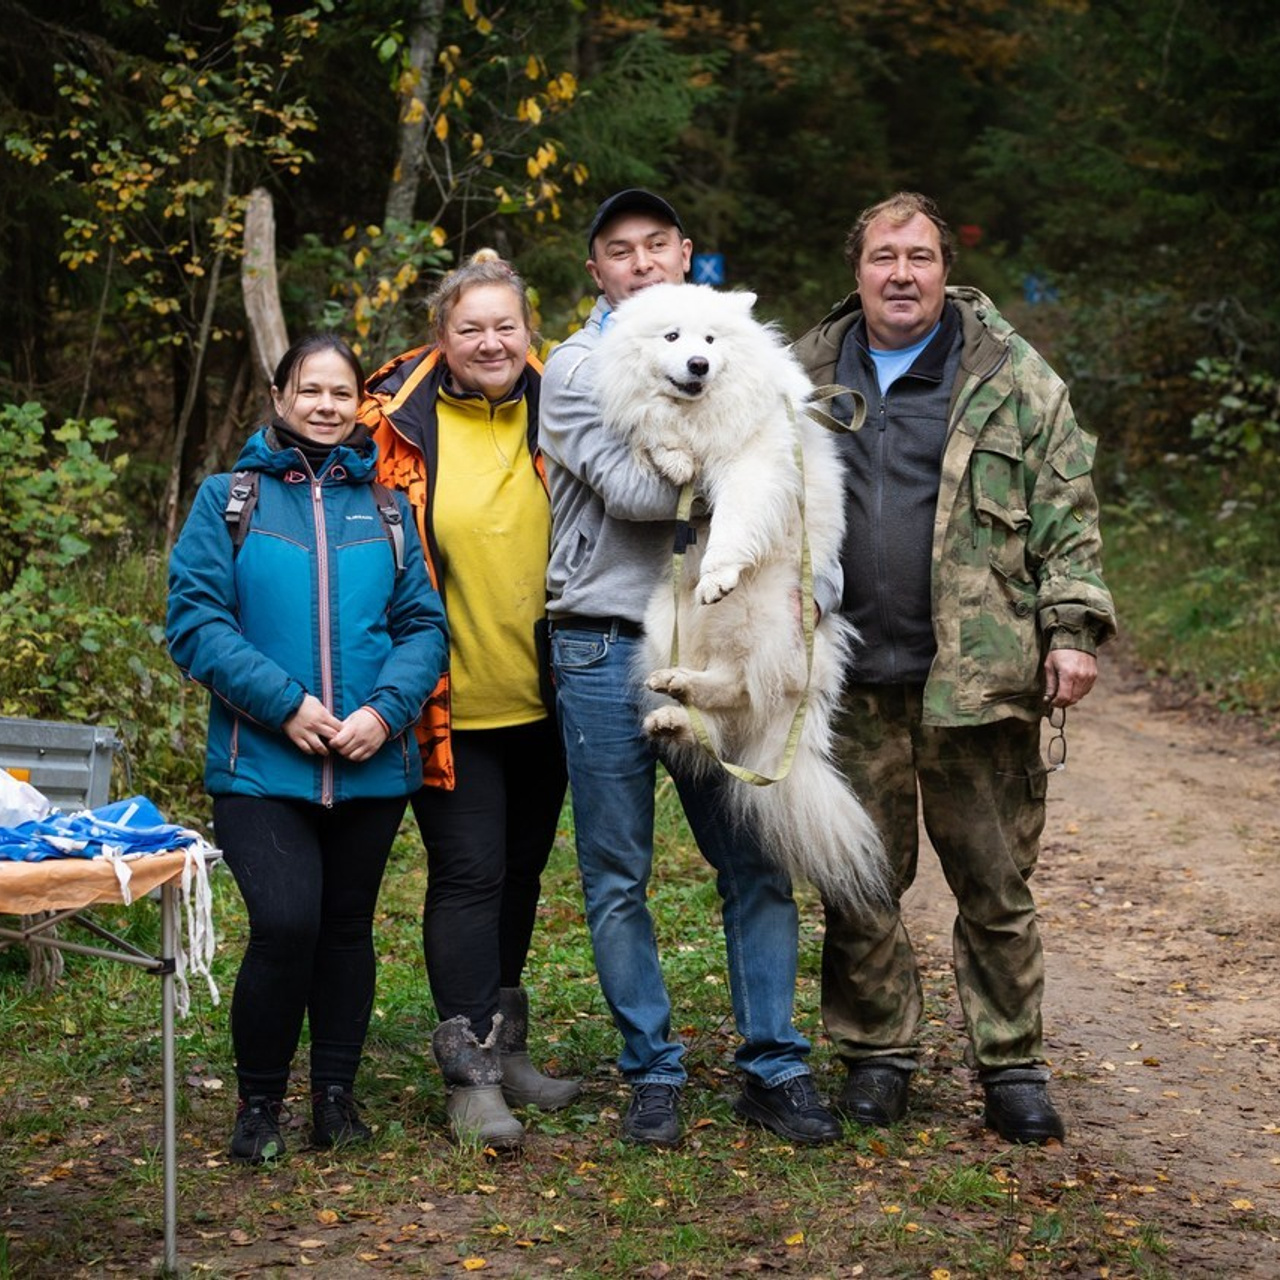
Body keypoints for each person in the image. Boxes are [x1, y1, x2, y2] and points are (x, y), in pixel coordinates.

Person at [792, 191, 1117, 1143]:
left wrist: (1071, 628)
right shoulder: (799, 373)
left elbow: (1069, 507)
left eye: (921, 256)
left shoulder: (1012, 376)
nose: (902, 274)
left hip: (978, 678)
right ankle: (876, 1056)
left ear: (945, 268)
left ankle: (1012, 1065)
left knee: (994, 883)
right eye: (884, 256)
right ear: (856, 270)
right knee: (859, 879)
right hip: (845, 676)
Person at [538, 188, 842, 1147]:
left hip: (725, 630)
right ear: (598, 270)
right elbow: (635, 491)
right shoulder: (576, 367)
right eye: (619, 251)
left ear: (686, 253)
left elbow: (802, 475)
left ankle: (774, 1067)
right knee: (617, 873)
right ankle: (652, 1074)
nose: (640, 261)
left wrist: (813, 585)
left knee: (754, 858)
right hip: (604, 636)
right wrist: (744, 459)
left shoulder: (741, 346)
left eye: (656, 244)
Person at [167, 334, 449, 1163]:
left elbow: (423, 628)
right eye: (310, 390)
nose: (326, 405)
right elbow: (194, 623)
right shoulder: (231, 499)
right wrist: (286, 705)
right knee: (286, 923)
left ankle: (335, 1098)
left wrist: (385, 713)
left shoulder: (389, 507)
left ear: (361, 403)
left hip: (369, 764)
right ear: (281, 395)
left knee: (346, 930)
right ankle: (259, 1104)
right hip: (261, 766)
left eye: (341, 392)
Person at [359, 250, 578, 1149]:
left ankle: (507, 1047)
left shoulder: (569, 401)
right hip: (446, 702)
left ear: (530, 330)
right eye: (469, 327)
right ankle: (469, 1078)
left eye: (505, 325)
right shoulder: (397, 424)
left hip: (553, 695)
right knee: (468, 874)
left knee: (522, 872)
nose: (490, 341)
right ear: (441, 338)